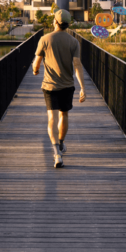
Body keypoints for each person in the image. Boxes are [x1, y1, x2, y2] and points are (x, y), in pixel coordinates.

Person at [31, 9, 87, 168]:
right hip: (67, 85)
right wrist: (83, 88)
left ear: (55, 22)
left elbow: (37, 62)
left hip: (49, 86)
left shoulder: (45, 39)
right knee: (64, 115)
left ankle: (57, 153)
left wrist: (35, 70)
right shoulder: (74, 42)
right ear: (68, 24)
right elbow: (77, 65)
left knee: (52, 118)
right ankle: (61, 143)